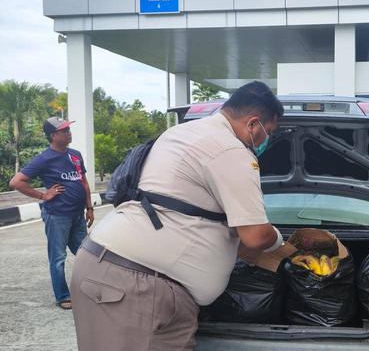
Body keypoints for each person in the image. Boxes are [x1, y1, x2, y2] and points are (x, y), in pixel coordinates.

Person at [70, 81, 285, 350]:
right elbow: (255, 236)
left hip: (100, 265)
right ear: (253, 124)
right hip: (138, 289)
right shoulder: (231, 150)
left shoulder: (181, 133)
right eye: (270, 132)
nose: (267, 140)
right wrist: (279, 242)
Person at [9, 117, 94, 310]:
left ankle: (87, 290)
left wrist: (89, 208)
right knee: (58, 258)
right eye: (64, 131)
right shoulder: (44, 159)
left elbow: (83, 182)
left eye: (68, 129)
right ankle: (63, 296)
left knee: (86, 254)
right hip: (57, 216)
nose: (68, 132)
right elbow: (16, 182)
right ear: (53, 136)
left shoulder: (75, 155)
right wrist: (43, 195)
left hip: (77, 215)